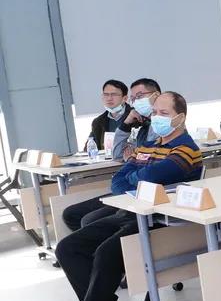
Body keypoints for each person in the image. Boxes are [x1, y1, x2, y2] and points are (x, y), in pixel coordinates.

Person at [43, 92, 202, 301]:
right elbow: (118, 182)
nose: (157, 118)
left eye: (164, 113)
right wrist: (135, 178)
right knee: (67, 248)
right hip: (130, 211)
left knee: (106, 252)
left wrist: (135, 177)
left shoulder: (187, 150)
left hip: (159, 221)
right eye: (155, 112)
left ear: (180, 118)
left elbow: (151, 177)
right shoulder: (149, 145)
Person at [63, 78, 162, 232]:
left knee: (89, 221)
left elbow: (148, 163)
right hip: (129, 187)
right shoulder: (136, 120)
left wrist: (132, 159)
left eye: (140, 96)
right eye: (134, 98)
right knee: (71, 214)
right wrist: (125, 124)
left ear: (156, 96)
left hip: (143, 191)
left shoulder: (159, 126)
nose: (136, 101)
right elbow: (117, 154)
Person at [87, 79, 130, 152]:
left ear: (124, 98)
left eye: (114, 94)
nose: (109, 98)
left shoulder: (135, 117)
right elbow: (90, 146)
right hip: (107, 159)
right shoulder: (98, 122)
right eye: (106, 94)